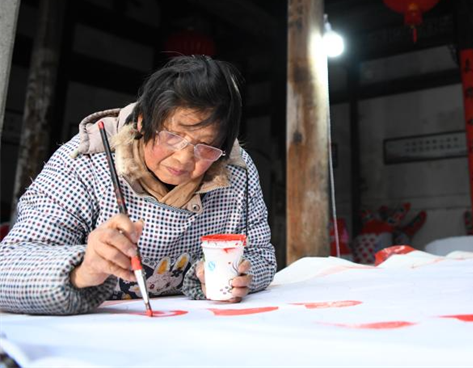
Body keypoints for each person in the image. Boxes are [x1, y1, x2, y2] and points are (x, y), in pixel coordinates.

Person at [0, 56, 277, 314]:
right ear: (143, 121)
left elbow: (262, 255)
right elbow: (7, 269)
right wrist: (83, 269)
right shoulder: (85, 162)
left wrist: (233, 274)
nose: (183, 158)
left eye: (205, 147)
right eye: (172, 136)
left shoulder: (236, 171)